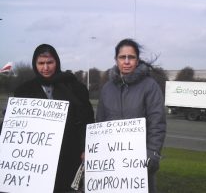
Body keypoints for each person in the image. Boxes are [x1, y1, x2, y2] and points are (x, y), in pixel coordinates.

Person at [14, 44, 95, 193]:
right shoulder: (23, 91)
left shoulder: (75, 88)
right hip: (36, 160)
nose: (45, 67)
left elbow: (87, 120)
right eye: (41, 63)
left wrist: (86, 148)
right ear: (35, 64)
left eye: (49, 62)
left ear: (56, 62)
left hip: (69, 155)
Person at [96, 38, 166, 193]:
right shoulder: (107, 88)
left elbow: (157, 124)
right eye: (122, 57)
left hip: (140, 163)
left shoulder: (150, 86)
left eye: (131, 57)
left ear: (137, 60)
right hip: (112, 161)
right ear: (116, 60)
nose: (126, 61)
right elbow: (99, 122)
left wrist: (152, 154)